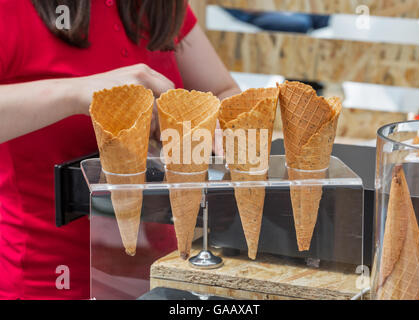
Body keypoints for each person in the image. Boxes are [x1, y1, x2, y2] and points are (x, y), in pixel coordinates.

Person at [0, 0, 240, 300]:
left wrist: (202, 125)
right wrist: (75, 93)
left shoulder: (159, 7)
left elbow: (221, 91)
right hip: (48, 281)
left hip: (163, 274)